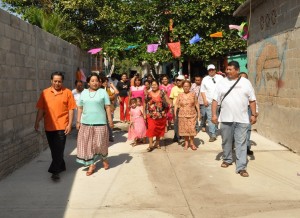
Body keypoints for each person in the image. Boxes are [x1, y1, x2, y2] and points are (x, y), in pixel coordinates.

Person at [212, 61, 257, 177]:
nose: (228, 71)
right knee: (226, 141)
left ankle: (241, 167)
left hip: (242, 119)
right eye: (227, 69)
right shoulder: (221, 83)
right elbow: (215, 100)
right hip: (226, 118)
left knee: (241, 143)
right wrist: (213, 115)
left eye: (230, 69)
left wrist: (253, 114)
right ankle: (227, 159)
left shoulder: (246, 82)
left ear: (237, 70)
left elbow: (252, 99)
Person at [34, 71, 76, 181]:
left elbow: (71, 110)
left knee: (59, 149)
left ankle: (55, 171)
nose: (57, 83)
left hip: (62, 126)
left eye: (59, 81)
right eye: (55, 81)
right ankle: (61, 165)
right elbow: (41, 109)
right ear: (51, 81)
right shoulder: (45, 93)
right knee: (54, 150)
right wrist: (37, 122)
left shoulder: (67, 92)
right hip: (49, 126)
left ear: (62, 82)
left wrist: (69, 124)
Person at [76, 73, 114, 176]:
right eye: (92, 81)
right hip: (86, 124)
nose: (95, 83)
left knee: (100, 144)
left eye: (96, 80)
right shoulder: (83, 93)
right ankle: (91, 164)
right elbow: (80, 107)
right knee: (88, 146)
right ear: (88, 83)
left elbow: (107, 107)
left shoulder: (103, 92)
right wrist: (78, 121)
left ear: (99, 82)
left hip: (100, 123)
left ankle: (104, 158)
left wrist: (110, 121)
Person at [145, 80, 171, 152]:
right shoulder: (148, 94)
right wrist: (144, 114)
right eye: (152, 85)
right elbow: (145, 103)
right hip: (151, 115)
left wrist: (174, 105)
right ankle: (150, 144)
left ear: (158, 85)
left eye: (155, 84)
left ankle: (157, 143)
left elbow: (168, 101)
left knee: (159, 129)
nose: (153, 86)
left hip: (161, 115)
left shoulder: (162, 93)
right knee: (151, 129)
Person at [200, 64, 224, 142]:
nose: (211, 71)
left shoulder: (220, 78)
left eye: (212, 69)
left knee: (216, 117)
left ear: (215, 70)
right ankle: (212, 134)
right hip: (209, 101)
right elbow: (202, 91)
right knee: (210, 118)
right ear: (208, 71)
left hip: (220, 102)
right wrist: (204, 100)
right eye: (209, 70)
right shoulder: (205, 79)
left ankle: (215, 130)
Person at [175, 80, 200, 150]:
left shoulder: (193, 94)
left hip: (192, 114)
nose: (186, 88)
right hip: (182, 115)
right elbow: (176, 104)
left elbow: (196, 103)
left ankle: (192, 143)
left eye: (187, 86)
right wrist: (174, 113)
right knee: (185, 130)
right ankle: (186, 143)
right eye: (184, 86)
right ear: (182, 87)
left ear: (190, 87)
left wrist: (199, 113)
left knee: (192, 128)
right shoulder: (180, 95)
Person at [239, 72, 259, 155]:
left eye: (245, 78)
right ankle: (237, 145)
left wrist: (255, 111)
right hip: (237, 109)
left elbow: (253, 100)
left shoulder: (249, 87)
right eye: (241, 78)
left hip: (248, 109)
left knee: (247, 129)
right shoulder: (234, 87)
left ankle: (246, 147)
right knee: (237, 129)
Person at [101, 76, 119, 142]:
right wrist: (111, 97)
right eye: (104, 82)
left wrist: (112, 86)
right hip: (101, 109)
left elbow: (116, 92)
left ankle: (110, 136)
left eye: (106, 81)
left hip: (109, 108)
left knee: (109, 122)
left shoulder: (109, 89)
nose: (105, 83)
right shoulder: (99, 90)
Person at [169, 74, 184, 142]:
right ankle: (177, 136)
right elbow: (171, 99)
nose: (178, 82)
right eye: (177, 80)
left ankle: (181, 135)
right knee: (176, 122)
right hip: (175, 108)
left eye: (180, 80)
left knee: (182, 122)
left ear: (183, 81)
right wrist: (171, 107)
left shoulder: (185, 88)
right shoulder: (173, 88)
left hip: (183, 109)